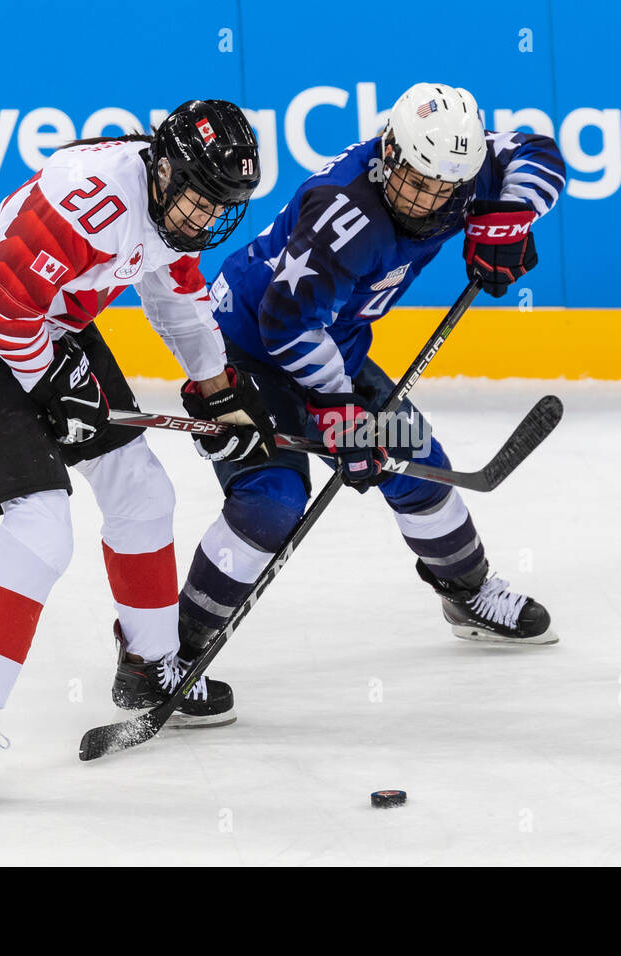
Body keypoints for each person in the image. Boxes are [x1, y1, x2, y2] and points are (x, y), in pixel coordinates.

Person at [0, 100, 274, 808]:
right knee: (42, 526)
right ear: (165, 170)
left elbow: (176, 299)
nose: (205, 220)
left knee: (144, 492)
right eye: (200, 200)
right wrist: (52, 384)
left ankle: (151, 666)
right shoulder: (94, 197)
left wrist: (218, 391)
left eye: (219, 207)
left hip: (49, 322)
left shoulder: (175, 201)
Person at [175, 82, 567, 664]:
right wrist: (339, 410)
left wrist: (510, 217)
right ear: (389, 152)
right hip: (244, 352)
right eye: (416, 182)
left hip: (338, 344)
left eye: (443, 190)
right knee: (271, 501)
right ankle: (168, 654)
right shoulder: (347, 214)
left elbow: (538, 151)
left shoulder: (452, 167)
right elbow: (286, 323)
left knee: (422, 470)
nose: (427, 202)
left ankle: (467, 595)